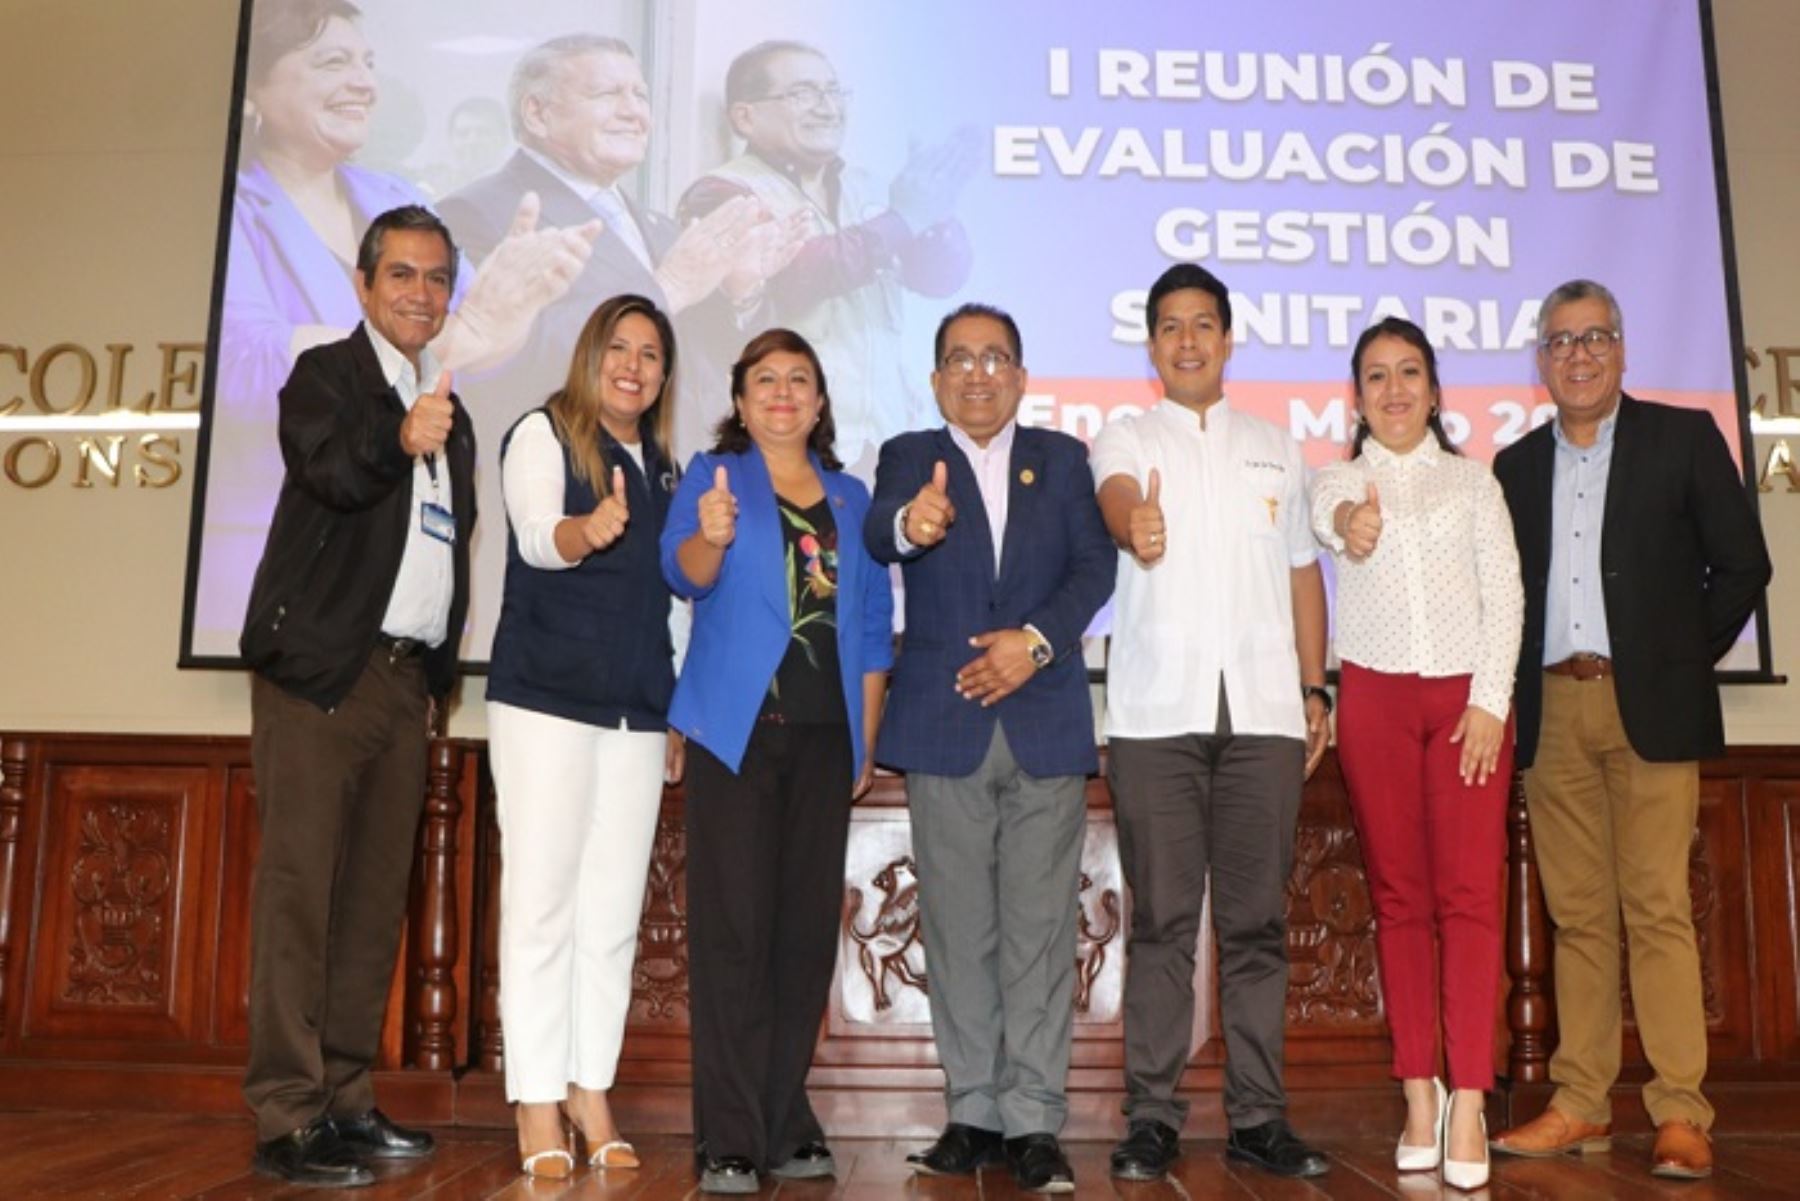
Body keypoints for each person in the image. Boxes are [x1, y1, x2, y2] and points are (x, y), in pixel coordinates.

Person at [1489, 280, 1771, 1181]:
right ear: (1541, 361)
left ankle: (1682, 1111)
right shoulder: (1516, 467)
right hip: (1552, 709)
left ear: (1622, 349)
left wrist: (1679, 656)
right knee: (1576, 916)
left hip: (1649, 705)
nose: (1578, 354)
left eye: (1595, 336)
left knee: (1655, 908)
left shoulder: (1682, 439)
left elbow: (1742, 565)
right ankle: (1579, 1103)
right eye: (1561, 341)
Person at [204, 0, 595, 647]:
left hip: (418, 568)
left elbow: (466, 345)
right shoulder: (232, 206)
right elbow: (243, 360)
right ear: (257, 87)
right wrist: (441, 342)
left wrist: (511, 313)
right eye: (334, 61)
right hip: (301, 574)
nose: (363, 82)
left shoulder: (396, 199)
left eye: (369, 62)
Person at [237, 205, 476, 1188]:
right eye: (402, 276)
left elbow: (443, 553)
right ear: (365, 286)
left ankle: (343, 1098)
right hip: (322, 676)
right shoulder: (326, 378)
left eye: (435, 279)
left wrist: (439, 684)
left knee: (374, 903)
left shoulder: (448, 410)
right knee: (300, 894)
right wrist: (398, 433)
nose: (420, 293)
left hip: (403, 682)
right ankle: (287, 1114)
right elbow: (331, 474)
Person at [864, 304, 1114, 1193]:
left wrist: (1035, 643)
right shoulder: (906, 457)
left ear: (1020, 375)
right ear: (937, 380)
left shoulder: (1065, 460)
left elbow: (1096, 569)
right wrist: (913, 525)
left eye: (995, 357)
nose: (978, 373)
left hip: (1043, 720)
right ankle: (973, 1109)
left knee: (1043, 935)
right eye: (960, 360)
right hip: (943, 723)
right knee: (958, 929)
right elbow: (878, 530)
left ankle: (1035, 1118)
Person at [1090, 263, 1331, 1182]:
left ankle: (1259, 1118)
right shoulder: (1122, 435)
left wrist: (1318, 691)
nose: (1187, 340)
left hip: (1266, 715)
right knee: (1160, 926)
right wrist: (1136, 521)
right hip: (1157, 716)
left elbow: (1305, 573)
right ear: (1151, 346)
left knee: (1257, 926)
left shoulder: (1279, 446)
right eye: (1169, 327)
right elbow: (1116, 499)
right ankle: (1150, 1117)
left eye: (1203, 325)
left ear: (1229, 339)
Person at [439, 32, 796, 648]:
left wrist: (741, 295)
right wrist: (669, 289)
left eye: (640, 93)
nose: (635, 110)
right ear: (538, 112)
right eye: (608, 93)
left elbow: (696, 367)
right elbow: (507, 360)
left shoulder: (652, 223)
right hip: (564, 529)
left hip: (671, 523)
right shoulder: (477, 212)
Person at [660, 329, 894, 1195]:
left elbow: (869, 631)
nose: (784, 392)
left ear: (821, 400)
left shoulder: (852, 495)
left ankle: (781, 1113)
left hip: (827, 736)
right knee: (733, 933)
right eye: (767, 379)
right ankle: (727, 1133)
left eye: (800, 379)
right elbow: (681, 573)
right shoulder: (713, 479)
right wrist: (711, 536)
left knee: (800, 938)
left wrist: (865, 741)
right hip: (735, 732)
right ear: (741, 398)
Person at [1310, 318, 1523, 1191]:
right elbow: (1333, 521)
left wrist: (1488, 701)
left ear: (1436, 391)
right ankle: (1417, 1090)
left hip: (1468, 704)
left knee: (1470, 897)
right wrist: (1351, 522)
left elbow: (1506, 593)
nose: (1393, 390)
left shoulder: (1474, 485)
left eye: (1409, 374)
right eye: (1375, 377)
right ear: (1356, 398)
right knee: (1399, 900)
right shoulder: (1337, 478)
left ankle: (1469, 1094)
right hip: (1377, 702)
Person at [485, 295, 686, 1178]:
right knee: (541, 908)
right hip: (544, 704)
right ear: (589, 353)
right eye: (619, 346)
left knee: (611, 914)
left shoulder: (669, 468)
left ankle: (587, 1087)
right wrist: (585, 529)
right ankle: (535, 1099)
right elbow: (535, 537)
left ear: (665, 375)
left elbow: (672, 604)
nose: (633, 365)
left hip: (638, 713)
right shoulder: (542, 433)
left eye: (650, 353)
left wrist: (674, 707)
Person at [679, 39, 977, 468]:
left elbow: (937, 279)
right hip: (788, 454)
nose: (827, 107)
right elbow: (797, 275)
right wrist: (905, 218)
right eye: (803, 94)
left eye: (834, 92)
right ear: (745, 116)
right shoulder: (721, 192)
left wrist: (938, 213)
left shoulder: (870, 187)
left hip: (884, 447)